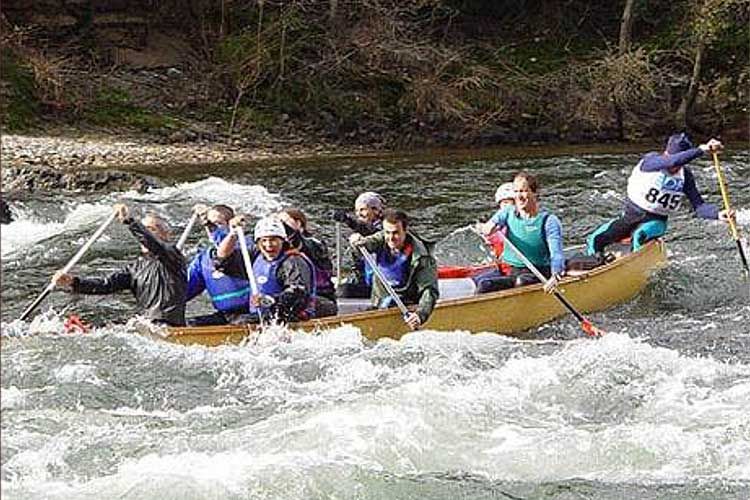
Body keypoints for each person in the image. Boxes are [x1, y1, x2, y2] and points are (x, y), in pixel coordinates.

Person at [586, 133, 735, 256]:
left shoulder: (685, 176)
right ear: (666, 154)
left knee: (639, 236)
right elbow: (672, 161)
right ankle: (592, 268)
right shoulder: (651, 161)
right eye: (673, 161)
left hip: (656, 222)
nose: (674, 167)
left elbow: (699, 206)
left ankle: (636, 271)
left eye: (679, 165)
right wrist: (701, 150)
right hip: (630, 217)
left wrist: (718, 214)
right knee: (595, 239)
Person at [53, 203, 187, 326]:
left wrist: (130, 221)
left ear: (167, 235)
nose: (145, 234)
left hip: (169, 326)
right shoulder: (134, 268)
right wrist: (73, 282)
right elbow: (106, 284)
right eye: (144, 229)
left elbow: (153, 243)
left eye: (151, 229)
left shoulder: (173, 256)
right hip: (148, 325)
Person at [214, 215, 317, 324]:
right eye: (264, 240)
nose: (268, 245)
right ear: (258, 243)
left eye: (273, 240)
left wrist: (269, 300)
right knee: (203, 321)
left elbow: (298, 294)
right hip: (259, 313)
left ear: (283, 240)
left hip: (286, 314)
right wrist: (233, 234)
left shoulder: (293, 262)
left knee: (241, 321)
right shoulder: (256, 255)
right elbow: (222, 260)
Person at [350, 209, 439, 330]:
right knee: (344, 291)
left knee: (394, 303)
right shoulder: (382, 238)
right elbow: (366, 245)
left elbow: (429, 291)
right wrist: (357, 242)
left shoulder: (422, 257)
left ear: (405, 231)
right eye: (387, 232)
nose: (391, 238)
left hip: (406, 303)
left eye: (396, 233)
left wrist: (420, 315)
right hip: (380, 300)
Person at [479, 172, 565, 292]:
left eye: (524, 191)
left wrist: (555, 275)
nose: (519, 196)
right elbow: (489, 226)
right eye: (516, 191)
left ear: (534, 193)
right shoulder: (507, 213)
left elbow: (557, 254)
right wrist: (487, 228)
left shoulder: (549, 221)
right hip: (510, 271)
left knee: (521, 282)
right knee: (484, 284)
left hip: (537, 271)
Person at [185, 204, 254, 326]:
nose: (212, 229)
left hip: (250, 313)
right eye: (209, 225)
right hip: (225, 315)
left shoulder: (246, 245)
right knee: (189, 324)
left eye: (218, 224)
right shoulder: (203, 259)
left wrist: (233, 231)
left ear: (229, 224)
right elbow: (185, 290)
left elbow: (225, 252)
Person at [278, 208, 338, 317]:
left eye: (284, 221)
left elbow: (303, 244)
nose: (280, 225)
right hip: (295, 294)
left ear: (298, 223)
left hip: (320, 298)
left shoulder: (314, 243)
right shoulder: (281, 243)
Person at [332, 191, 386, 298]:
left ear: (375, 210)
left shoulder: (386, 229)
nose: (358, 214)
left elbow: (372, 233)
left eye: (362, 209)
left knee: (344, 291)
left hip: (382, 286)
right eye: (357, 210)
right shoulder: (361, 232)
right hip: (365, 281)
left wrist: (348, 220)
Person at [473, 181, 515, 293]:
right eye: (504, 203)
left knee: (484, 284)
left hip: (517, 273)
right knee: (475, 279)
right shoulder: (496, 227)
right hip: (502, 270)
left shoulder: (521, 225)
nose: (507, 207)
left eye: (511, 203)